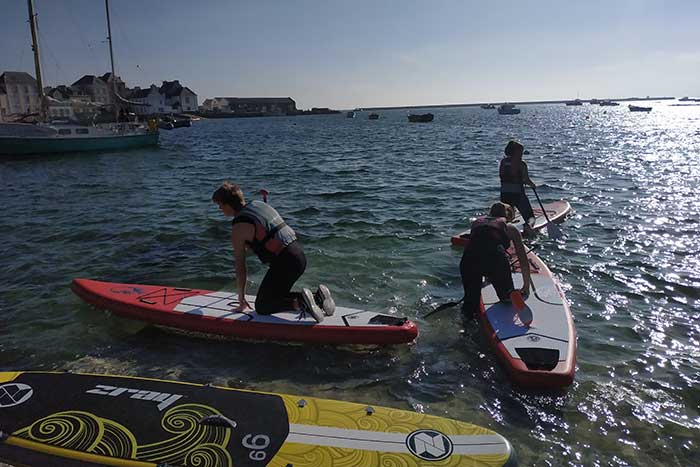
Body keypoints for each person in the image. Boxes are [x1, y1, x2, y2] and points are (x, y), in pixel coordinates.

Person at [212, 182, 334, 322]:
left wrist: (241, 299)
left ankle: (302, 303)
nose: (220, 209)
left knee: (263, 305)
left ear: (228, 204)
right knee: (276, 297)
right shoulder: (259, 205)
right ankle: (319, 297)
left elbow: (240, 267)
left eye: (220, 205)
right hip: (298, 256)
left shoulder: (238, 228)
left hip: (285, 263)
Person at [460, 202, 531, 318]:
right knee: (506, 298)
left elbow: (480, 246)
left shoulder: (476, 224)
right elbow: (523, 259)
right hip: (495, 262)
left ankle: (465, 327)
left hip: (468, 261)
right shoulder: (510, 228)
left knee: (470, 305)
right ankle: (508, 295)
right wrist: (526, 286)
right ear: (508, 217)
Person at [499, 140, 537, 237]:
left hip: (504, 193)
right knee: (531, 217)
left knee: (506, 216)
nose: (522, 154)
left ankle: (502, 230)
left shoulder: (503, 162)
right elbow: (526, 179)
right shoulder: (521, 163)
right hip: (518, 194)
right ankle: (528, 229)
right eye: (520, 152)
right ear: (515, 152)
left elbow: (502, 176)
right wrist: (532, 185)